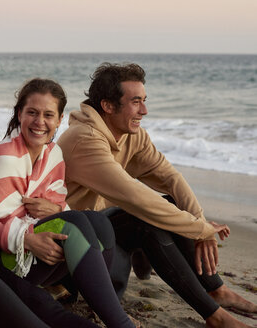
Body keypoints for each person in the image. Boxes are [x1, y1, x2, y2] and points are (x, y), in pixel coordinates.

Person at [57, 62, 257, 328]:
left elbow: (169, 177)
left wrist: (199, 222)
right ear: (107, 106)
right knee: (147, 220)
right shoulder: (85, 140)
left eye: (144, 100)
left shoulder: (131, 135)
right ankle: (215, 317)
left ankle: (215, 290)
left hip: (103, 228)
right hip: (73, 246)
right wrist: (199, 229)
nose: (145, 110)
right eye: (136, 102)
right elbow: (137, 197)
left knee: (174, 206)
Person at [0, 78, 136, 328]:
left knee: (98, 222)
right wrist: (26, 238)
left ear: (59, 120)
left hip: (41, 255)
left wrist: (56, 211)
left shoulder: (53, 155)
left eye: (48, 115)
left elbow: (58, 209)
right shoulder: (3, 159)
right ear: (19, 114)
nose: (39, 122)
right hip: (3, 259)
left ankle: (104, 305)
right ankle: (120, 323)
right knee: (77, 222)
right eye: (32, 112)